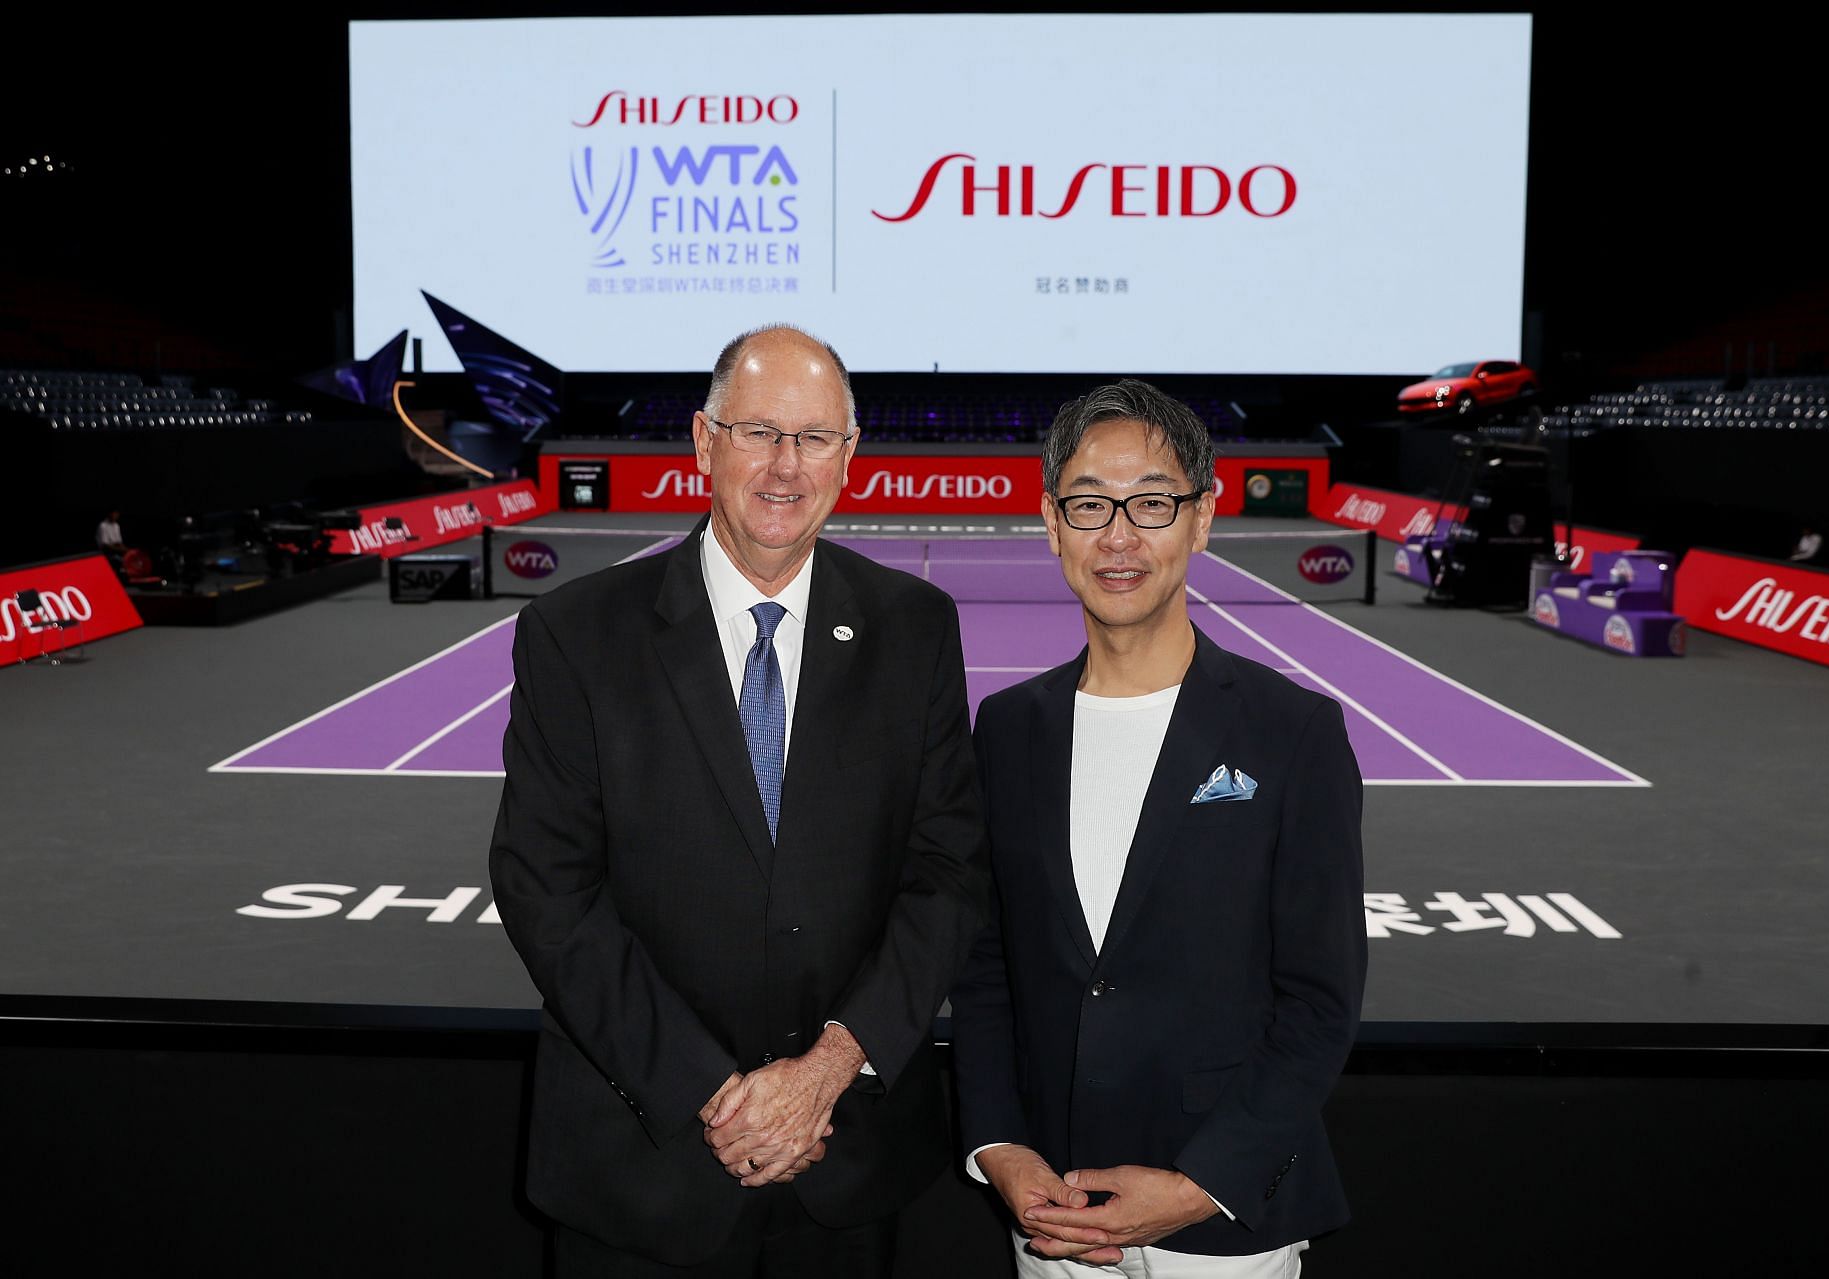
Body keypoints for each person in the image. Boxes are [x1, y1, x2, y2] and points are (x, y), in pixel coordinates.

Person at [489, 324, 989, 1277]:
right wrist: (720, 1095)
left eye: (814, 437)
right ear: (702, 440)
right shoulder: (575, 633)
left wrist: (827, 1071)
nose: (785, 466)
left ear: (850, 456)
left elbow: (948, 873)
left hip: (845, 1167)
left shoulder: (915, 629)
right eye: (758, 431)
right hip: (642, 1167)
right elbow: (549, 893)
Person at [950, 379, 1367, 1277]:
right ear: (1053, 523)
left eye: (1152, 502)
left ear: (1202, 517)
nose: (1120, 535)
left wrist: (1195, 1185)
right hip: (1054, 1215)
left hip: (1223, 1227)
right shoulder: (1009, 728)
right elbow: (986, 970)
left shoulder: (1293, 731)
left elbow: (1320, 1001)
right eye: (1091, 504)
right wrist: (1001, 1149)